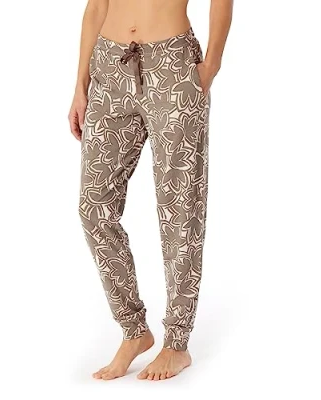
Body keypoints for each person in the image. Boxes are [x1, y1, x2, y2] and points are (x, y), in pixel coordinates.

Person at [69, 0, 232, 381]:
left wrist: (211, 65)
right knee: (94, 208)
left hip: (172, 65)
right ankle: (134, 330)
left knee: (180, 207)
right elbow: (97, 6)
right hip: (109, 65)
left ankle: (177, 343)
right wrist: (80, 84)